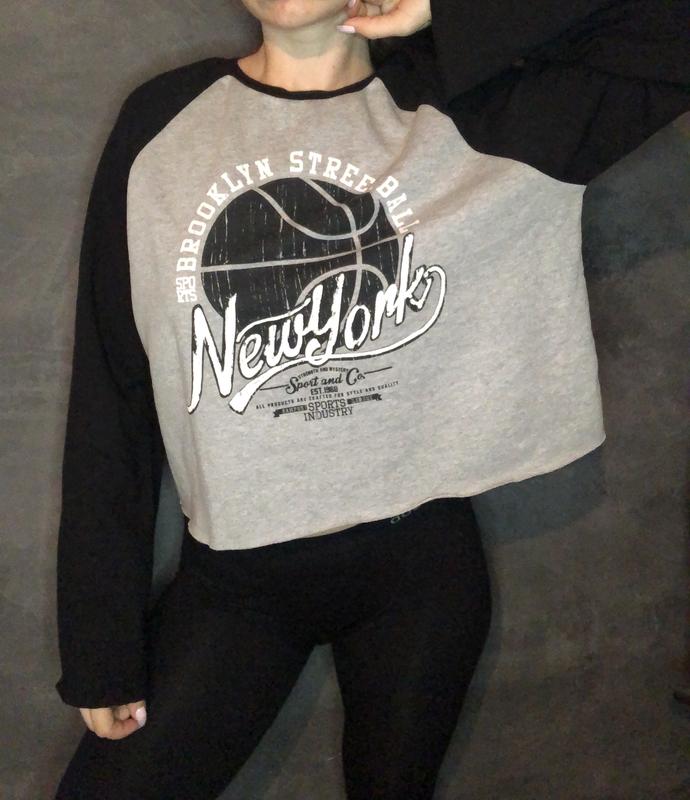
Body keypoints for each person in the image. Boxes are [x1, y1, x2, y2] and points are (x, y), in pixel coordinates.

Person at [53, 0, 689, 798]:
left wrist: (448, 11)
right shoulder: (161, 122)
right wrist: (100, 643)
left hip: (418, 575)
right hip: (235, 585)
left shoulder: (475, 114)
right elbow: (112, 385)